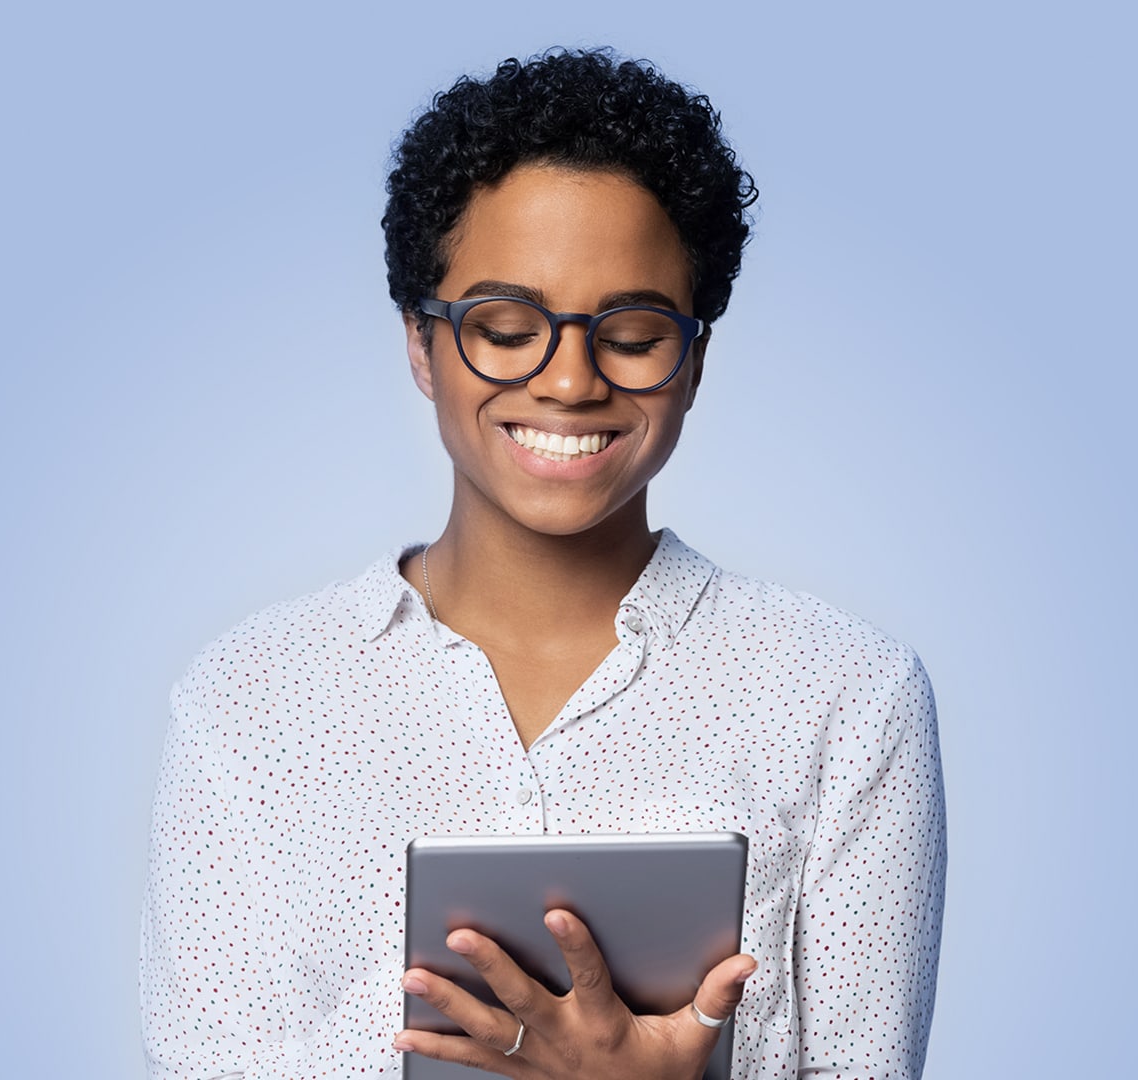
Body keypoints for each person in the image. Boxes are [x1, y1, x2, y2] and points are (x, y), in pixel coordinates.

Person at [142, 48, 946, 1079]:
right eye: (509, 328)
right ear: (421, 346)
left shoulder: (846, 696)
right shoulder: (248, 703)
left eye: (634, 333)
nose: (569, 380)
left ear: (694, 361)